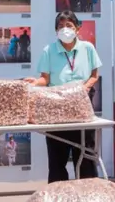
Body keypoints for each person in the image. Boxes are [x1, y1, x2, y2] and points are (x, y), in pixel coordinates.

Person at [26, 10, 102, 183]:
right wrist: (34, 82)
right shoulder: (49, 50)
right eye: (60, 27)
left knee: (85, 154)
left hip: (80, 105)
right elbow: (45, 79)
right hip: (56, 108)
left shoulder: (88, 48)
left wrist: (82, 89)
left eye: (69, 26)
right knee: (56, 157)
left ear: (78, 29)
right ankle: (58, 200)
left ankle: (88, 197)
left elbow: (94, 75)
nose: (65, 30)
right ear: (55, 31)